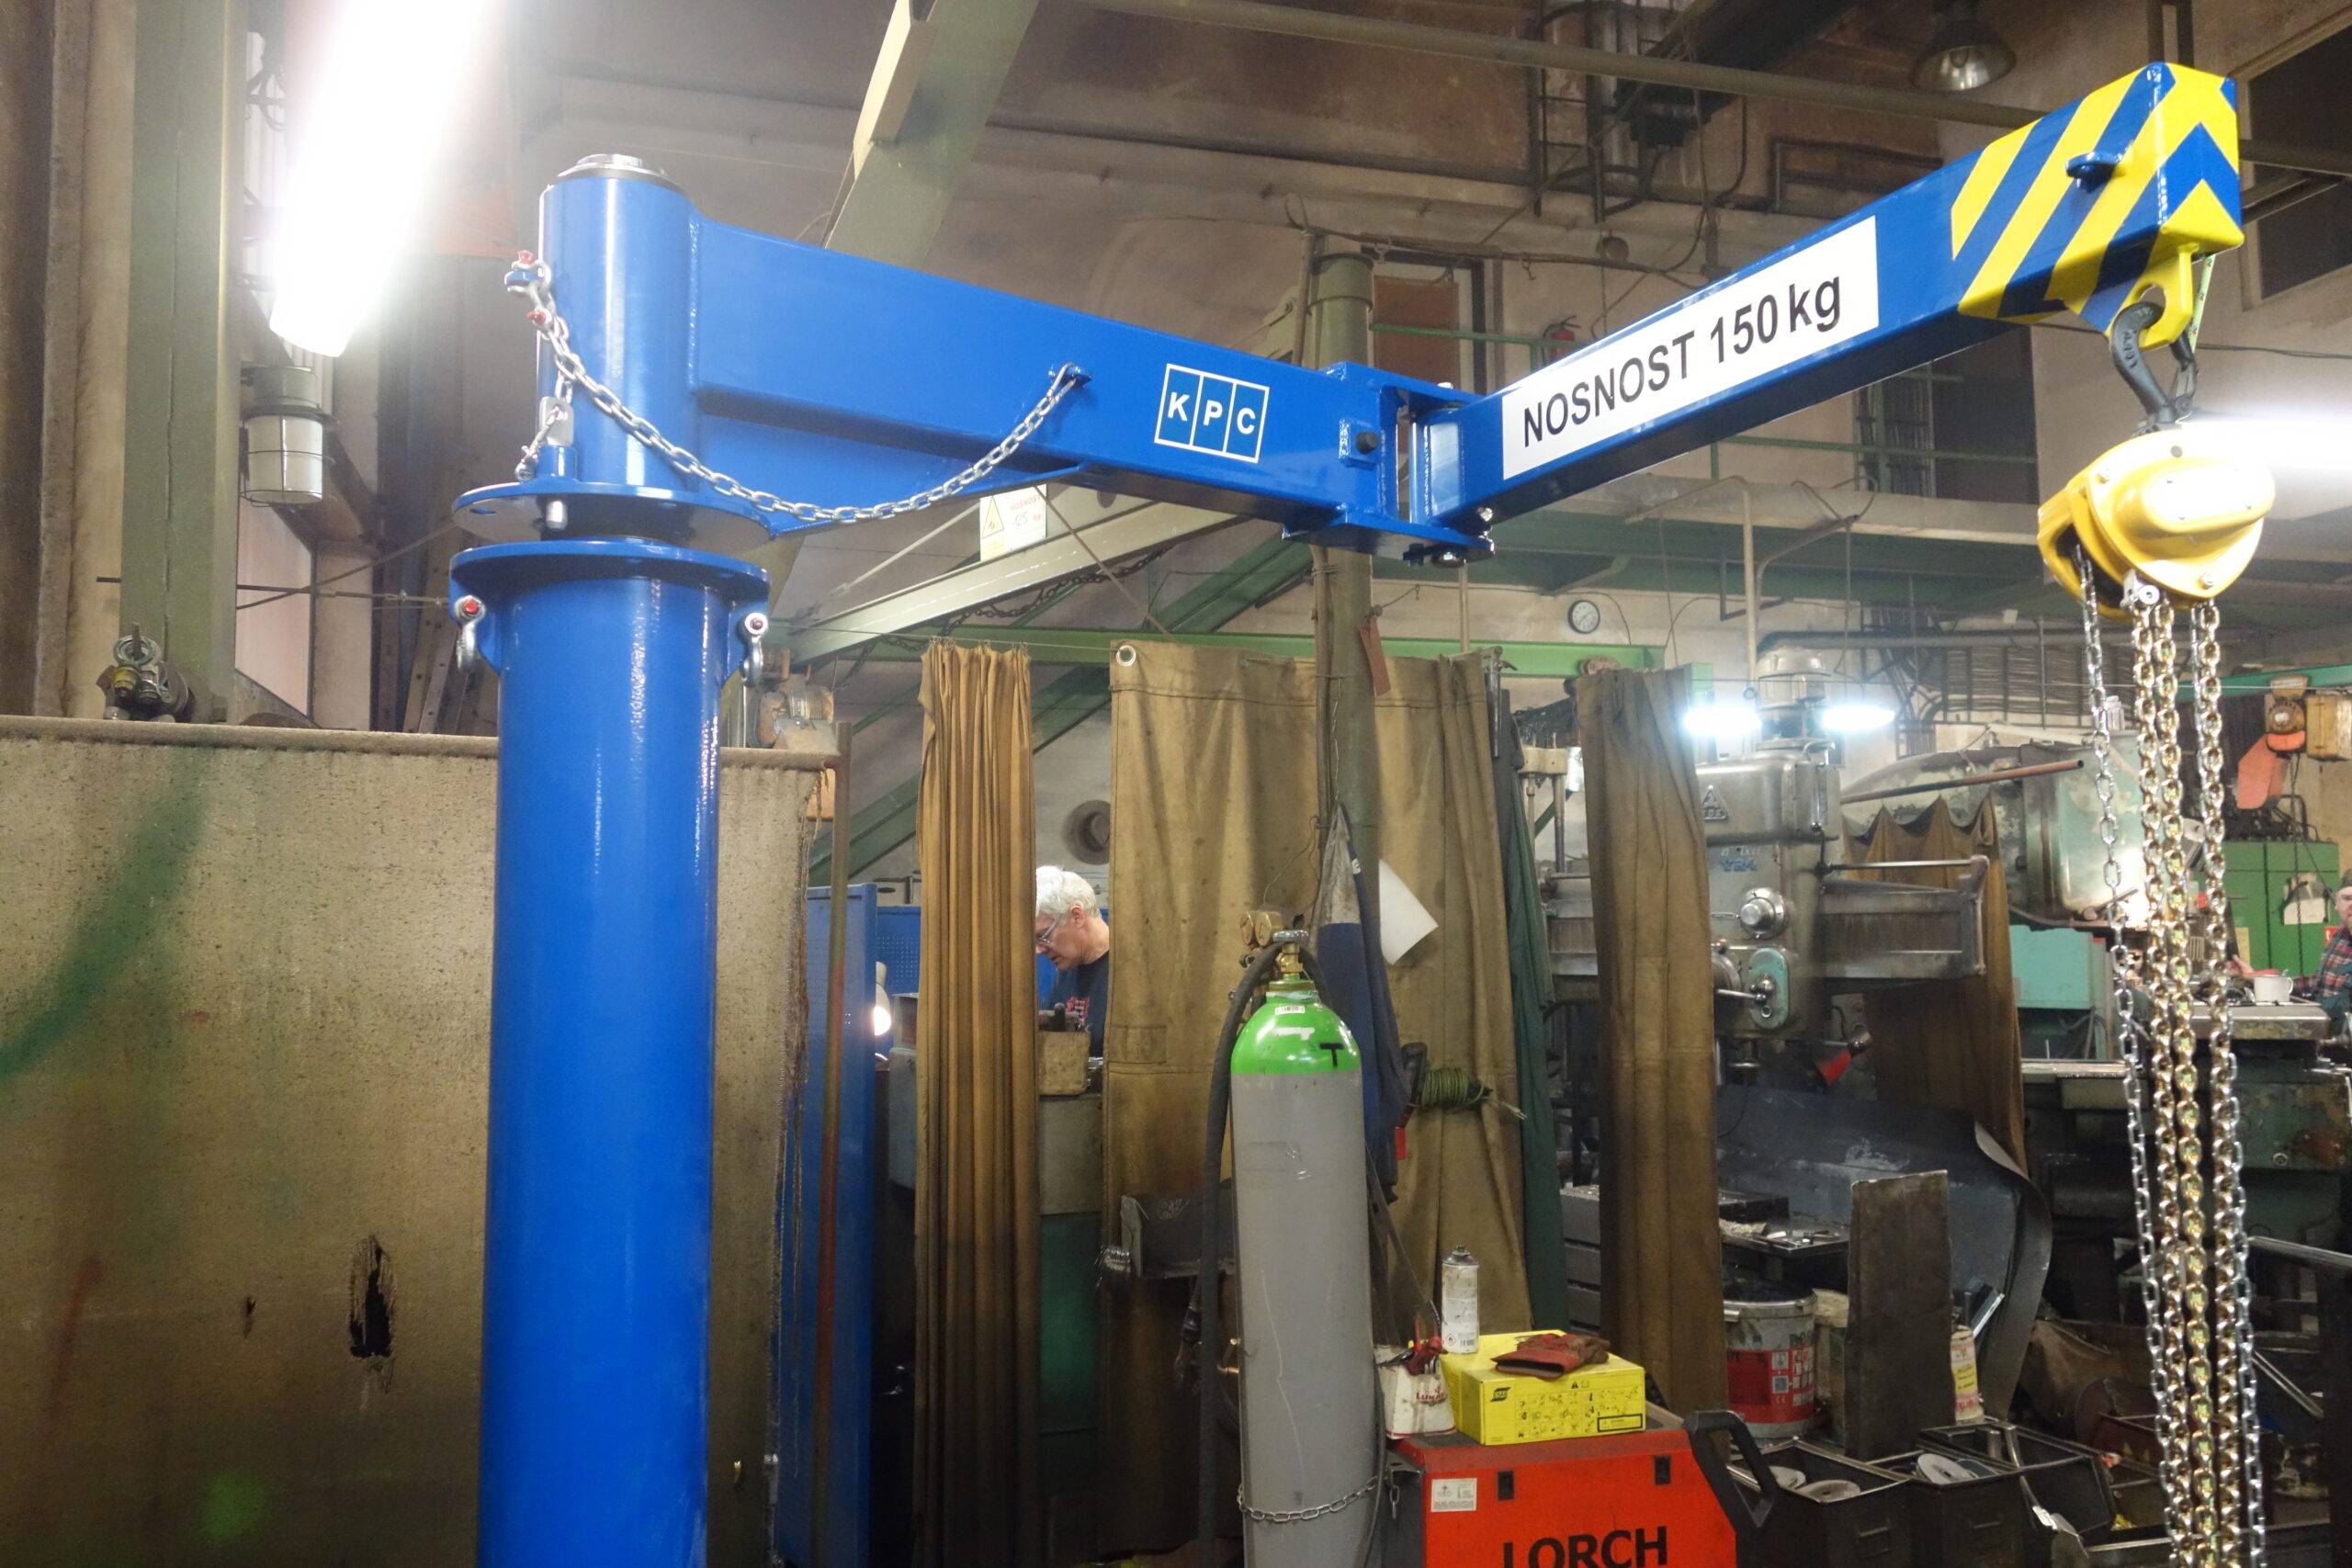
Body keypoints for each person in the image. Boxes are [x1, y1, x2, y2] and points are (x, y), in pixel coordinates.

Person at [1035, 865, 1111, 1055]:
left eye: (1043, 936)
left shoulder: (1128, 971)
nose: (1038, 950)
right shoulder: (1067, 969)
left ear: (1077, 917)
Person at [2315, 875, 2352, 1032]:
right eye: (2347, 898)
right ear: (2336, 904)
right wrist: (2265, 981)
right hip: (2330, 1034)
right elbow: (2320, 984)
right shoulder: (2339, 937)